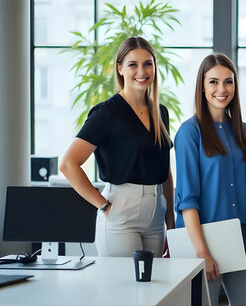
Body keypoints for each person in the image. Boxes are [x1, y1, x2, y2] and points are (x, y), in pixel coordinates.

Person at [60, 36, 175, 258]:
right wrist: (105, 207)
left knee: (154, 289)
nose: (141, 71)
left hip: (156, 214)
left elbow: (165, 171)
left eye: (147, 64)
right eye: (133, 64)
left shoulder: (160, 112)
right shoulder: (106, 113)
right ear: (120, 68)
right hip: (121, 211)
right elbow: (68, 165)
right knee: (125, 288)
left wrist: (170, 221)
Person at [174, 53, 246, 306]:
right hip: (203, 241)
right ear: (202, 86)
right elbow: (187, 199)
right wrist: (202, 252)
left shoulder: (244, 131)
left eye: (228, 81)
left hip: (241, 240)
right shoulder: (190, 132)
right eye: (213, 82)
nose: (222, 89)